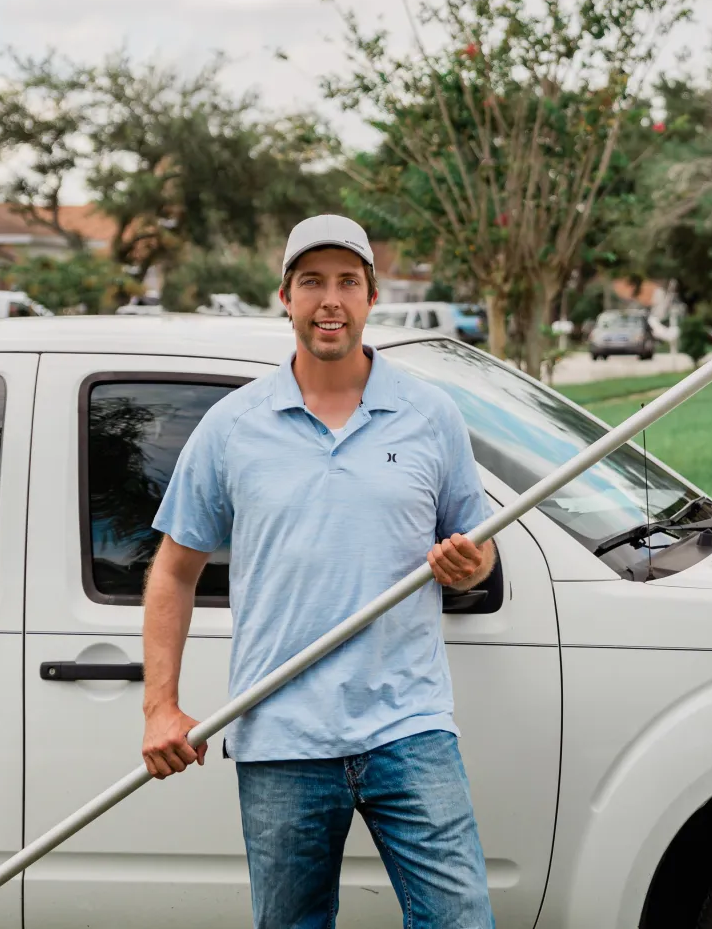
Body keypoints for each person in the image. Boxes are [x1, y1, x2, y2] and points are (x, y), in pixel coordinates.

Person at [140, 214, 497, 929]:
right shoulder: (233, 427)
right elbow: (174, 572)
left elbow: (476, 552)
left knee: (461, 922)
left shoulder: (430, 416)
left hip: (409, 725)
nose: (329, 299)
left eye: (346, 282)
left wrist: (465, 566)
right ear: (285, 297)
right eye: (312, 282)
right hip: (280, 735)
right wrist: (161, 707)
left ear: (371, 298)